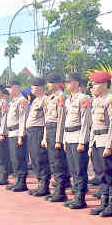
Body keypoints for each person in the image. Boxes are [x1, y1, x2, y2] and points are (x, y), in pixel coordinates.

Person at [87, 71, 112, 217]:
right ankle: (104, 203)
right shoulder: (96, 100)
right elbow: (94, 125)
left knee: (109, 174)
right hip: (97, 141)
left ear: (105, 84)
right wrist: (90, 144)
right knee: (100, 174)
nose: (93, 87)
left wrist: (109, 146)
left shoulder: (111, 100)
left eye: (95, 84)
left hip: (106, 141)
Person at [60, 73, 91, 209]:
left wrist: (82, 141)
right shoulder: (68, 100)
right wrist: (64, 140)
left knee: (79, 170)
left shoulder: (83, 98)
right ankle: (75, 196)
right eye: (66, 82)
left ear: (77, 83)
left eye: (69, 82)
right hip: (69, 137)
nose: (67, 84)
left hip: (78, 137)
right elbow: (66, 121)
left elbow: (85, 121)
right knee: (73, 169)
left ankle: (80, 198)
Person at [42, 74, 70, 202]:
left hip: (56, 131)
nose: (48, 85)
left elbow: (61, 120)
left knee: (59, 162)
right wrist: (44, 137)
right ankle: (57, 190)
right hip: (50, 130)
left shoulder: (61, 97)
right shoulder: (50, 98)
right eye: (48, 82)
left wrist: (58, 139)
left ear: (57, 83)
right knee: (53, 162)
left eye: (50, 82)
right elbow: (47, 119)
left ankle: (60, 191)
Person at [1, 80, 28, 192]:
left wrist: (21, 135)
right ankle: (17, 181)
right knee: (14, 159)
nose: (8, 90)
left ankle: (22, 182)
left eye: (10, 87)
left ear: (16, 88)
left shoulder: (22, 100)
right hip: (11, 133)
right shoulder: (13, 101)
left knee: (19, 158)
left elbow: (22, 118)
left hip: (17, 132)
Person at [26, 78, 50, 196]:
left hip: (39, 131)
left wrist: (45, 137)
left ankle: (44, 186)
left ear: (40, 87)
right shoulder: (36, 100)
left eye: (34, 86)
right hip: (32, 132)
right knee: (34, 158)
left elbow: (47, 120)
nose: (32, 89)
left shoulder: (45, 100)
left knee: (41, 158)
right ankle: (40, 183)